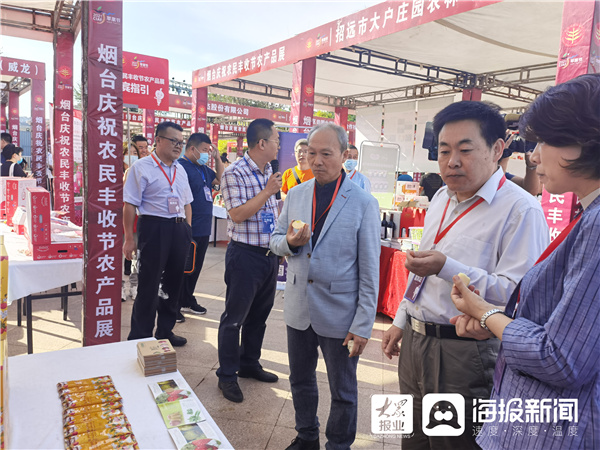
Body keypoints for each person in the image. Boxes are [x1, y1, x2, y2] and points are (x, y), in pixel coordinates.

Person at [381, 101, 549, 450]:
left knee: (453, 444)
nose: (452, 161)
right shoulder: (442, 196)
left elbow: (517, 295)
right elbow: (421, 270)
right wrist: (401, 319)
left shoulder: (521, 210)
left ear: (497, 148)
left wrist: (447, 266)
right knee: (413, 441)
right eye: (444, 150)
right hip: (415, 343)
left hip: (465, 353)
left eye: (465, 149)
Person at [449, 74, 600, 449]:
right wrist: (498, 325)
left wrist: (487, 314)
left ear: (582, 144)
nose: (534, 155)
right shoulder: (587, 214)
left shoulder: (591, 222)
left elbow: (562, 359)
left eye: (545, 141)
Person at [270, 123, 380, 450]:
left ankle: (338, 445)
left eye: (326, 154)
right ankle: (306, 437)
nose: (316, 161)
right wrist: (289, 242)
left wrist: (363, 325)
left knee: (343, 390)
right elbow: (275, 240)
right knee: (300, 381)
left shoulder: (363, 203)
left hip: (341, 315)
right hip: (299, 309)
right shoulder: (297, 194)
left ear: (345, 156)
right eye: (311, 153)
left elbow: (370, 270)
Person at [217, 118, 282, 403]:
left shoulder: (269, 170)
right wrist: (267, 191)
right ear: (262, 143)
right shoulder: (235, 173)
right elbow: (237, 214)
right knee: (234, 320)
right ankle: (227, 375)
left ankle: (249, 363)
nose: (279, 145)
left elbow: (270, 210)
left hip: (269, 255)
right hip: (244, 255)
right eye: (277, 140)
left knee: (259, 318)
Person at [123, 121, 193, 347]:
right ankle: (140, 336)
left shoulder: (180, 169)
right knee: (149, 284)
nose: (178, 146)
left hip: (179, 229)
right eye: (173, 141)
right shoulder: (141, 167)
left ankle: (165, 330)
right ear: (158, 140)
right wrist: (128, 238)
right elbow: (130, 205)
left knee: (174, 282)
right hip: (154, 228)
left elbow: (187, 203)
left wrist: (187, 230)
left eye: (181, 143)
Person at [176, 133, 224, 322]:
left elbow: (219, 180)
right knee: (181, 268)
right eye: (204, 150)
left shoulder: (203, 169)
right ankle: (175, 304)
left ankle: (188, 299)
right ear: (192, 149)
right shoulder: (181, 167)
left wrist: (218, 159)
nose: (206, 154)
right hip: (188, 227)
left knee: (194, 268)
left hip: (203, 228)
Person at [499, 131, 539, 196]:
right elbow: (496, 186)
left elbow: (531, 190)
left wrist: (532, 165)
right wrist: (504, 155)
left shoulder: (503, 174)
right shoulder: (482, 174)